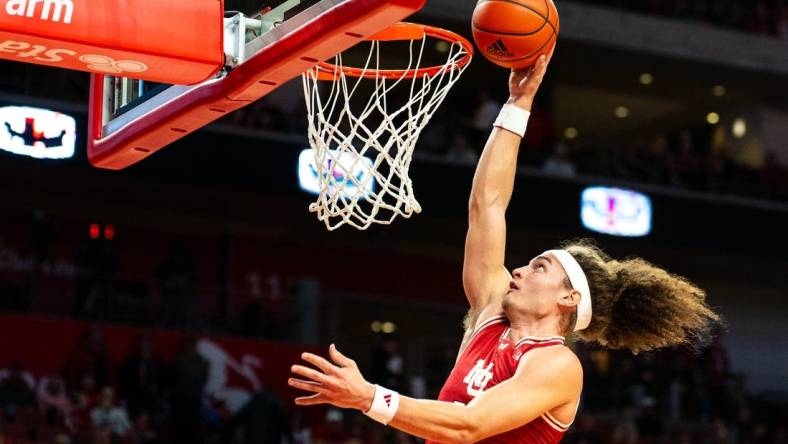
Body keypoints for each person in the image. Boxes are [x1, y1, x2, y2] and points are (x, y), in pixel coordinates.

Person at [287, 51, 721, 443]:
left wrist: (369, 398)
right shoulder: (491, 313)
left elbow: (469, 425)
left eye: (540, 267)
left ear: (569, 298)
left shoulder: (557, 366)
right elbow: (487, 205)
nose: (519, 271)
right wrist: (518, 104)